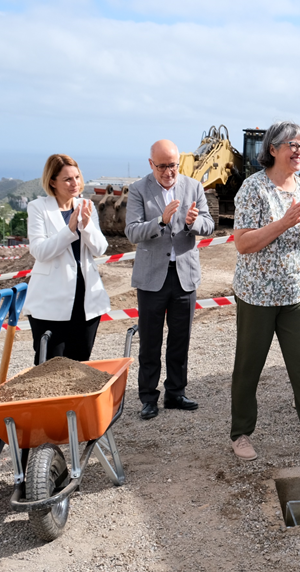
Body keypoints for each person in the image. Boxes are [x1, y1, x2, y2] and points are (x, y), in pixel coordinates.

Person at [229, 121, 300, 464]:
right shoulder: (254, 188)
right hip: (257, 296)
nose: (299, 151)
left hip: (295, 294)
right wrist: (284, 221)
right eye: (292, 144)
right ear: (273, 149)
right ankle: (241, 433)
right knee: (249, 366)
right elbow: (243, 244)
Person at [125, 140, 214, 420]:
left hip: (184, 276)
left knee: (180, 340)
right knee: (150, 341)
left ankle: (176, 393)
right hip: (152, 279)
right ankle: (148, 398)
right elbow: (131, 232)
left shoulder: (194, 187)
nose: (168, 172)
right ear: (151, 164)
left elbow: (210, 224)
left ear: (179, 163)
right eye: (162, 166)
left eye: (172, 165)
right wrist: (161, 222)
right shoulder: (138, 189)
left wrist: (192, 223)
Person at [23, 154, 110, 364]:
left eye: (77, 177)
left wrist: (87, 225)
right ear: (52, 182)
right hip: (49, 302)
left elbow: (100, 248)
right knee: (50, 366)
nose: (75, 184)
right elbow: (40, 251)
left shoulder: (86, 205)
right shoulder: (38, 208)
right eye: (68, 179)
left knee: (80, 365)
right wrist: (70, 229)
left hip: (86, 299)